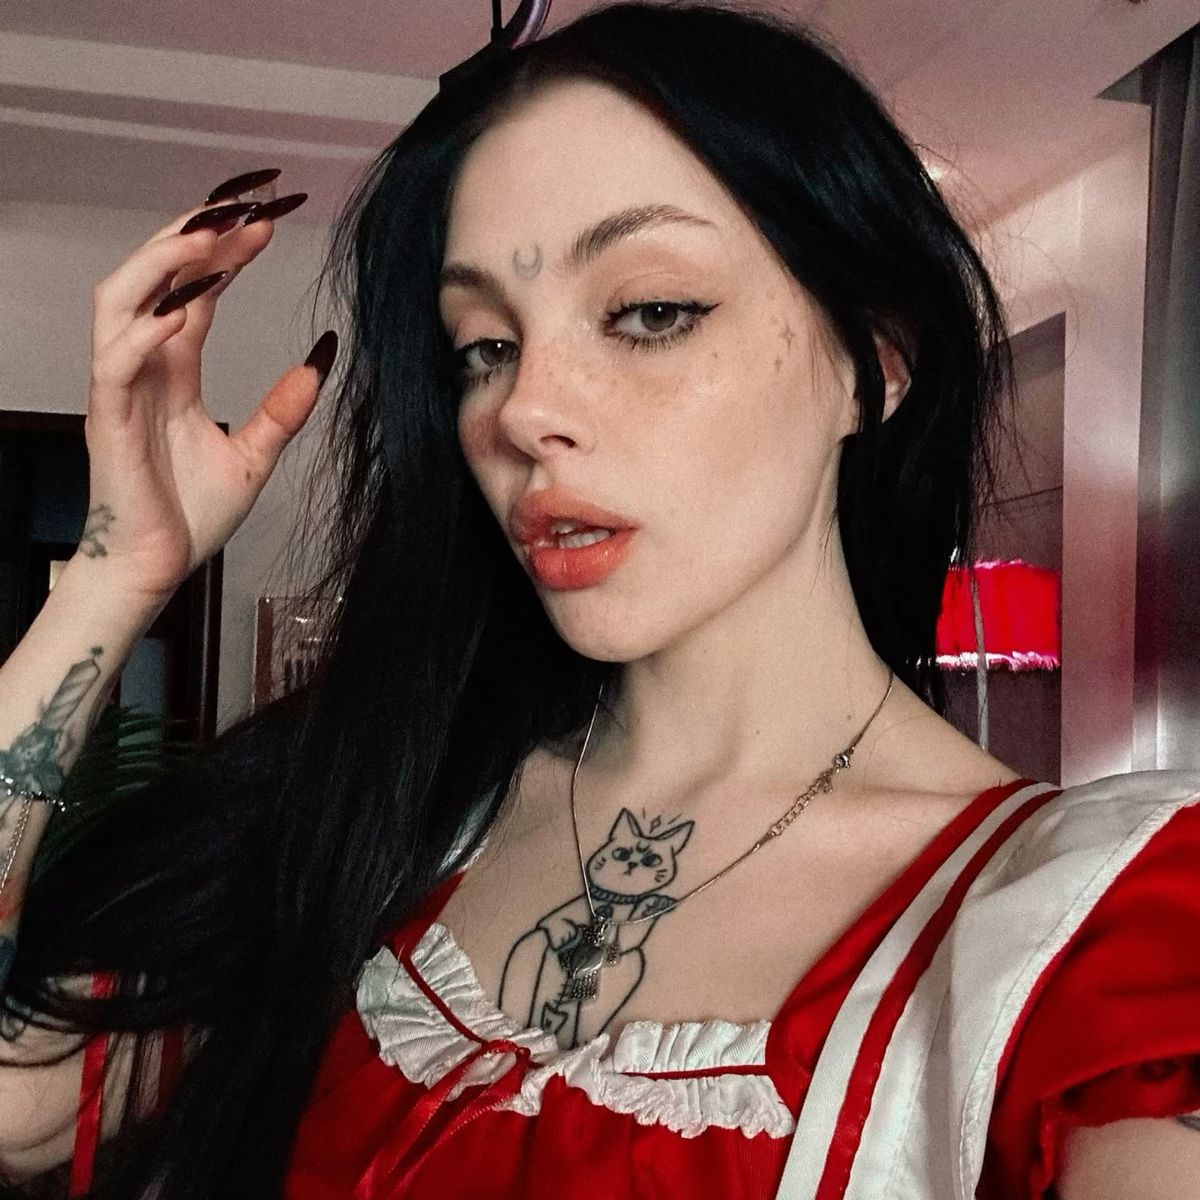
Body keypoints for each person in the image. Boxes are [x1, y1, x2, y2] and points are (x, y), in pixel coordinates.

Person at [0, 3, 1197, 1198]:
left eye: (650, 313)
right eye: (484, 347)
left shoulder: (1088, 937)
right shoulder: (388, 816)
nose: (524, 412)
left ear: (875, 360)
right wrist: (117, 570)